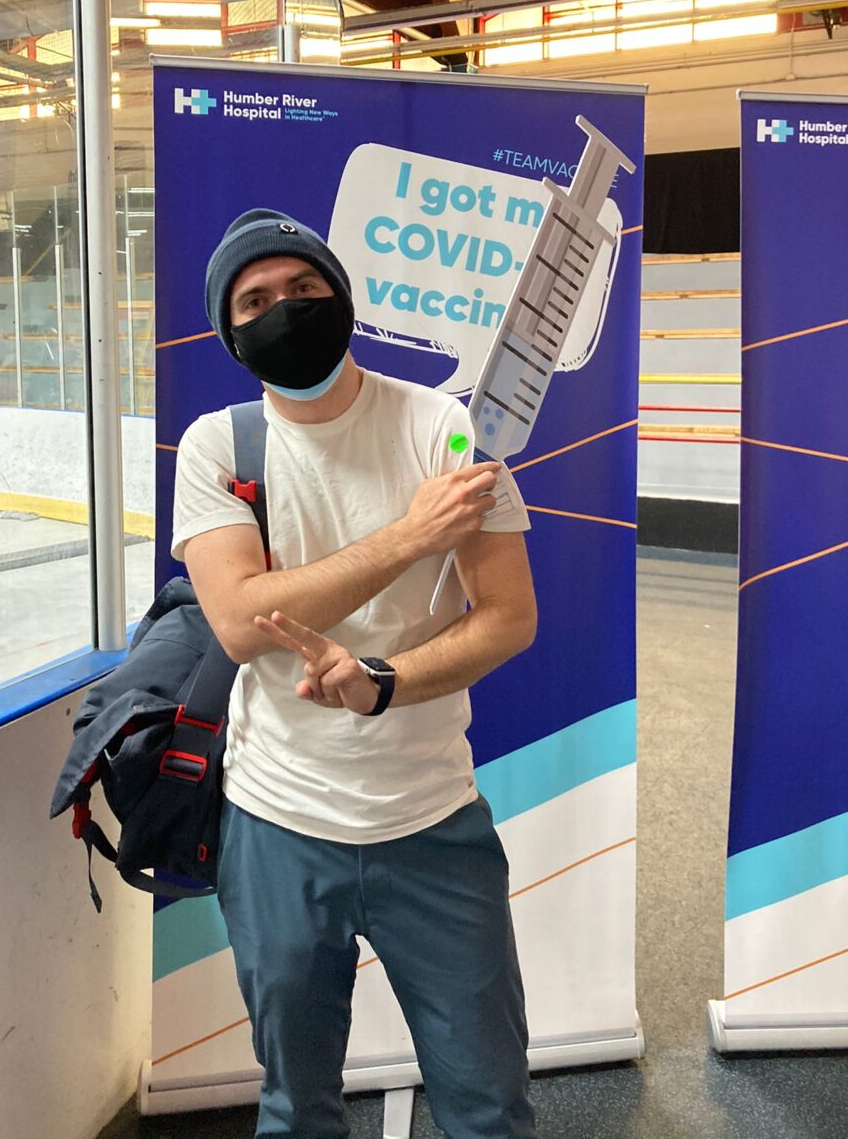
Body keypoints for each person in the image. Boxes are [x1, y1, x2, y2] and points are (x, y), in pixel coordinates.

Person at [172, 208, 539, 1139]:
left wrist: (384, 681)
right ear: (229, 330)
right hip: (277, 829)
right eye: (255, 300)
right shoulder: (221, 447)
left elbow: (507, 618)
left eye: (304, 290)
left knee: (488, 1106)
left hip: (432, 821)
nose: (283, 310)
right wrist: (412, 536)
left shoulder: (443, 428)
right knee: (297, 1109)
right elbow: (242, 620)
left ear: (344, 298)